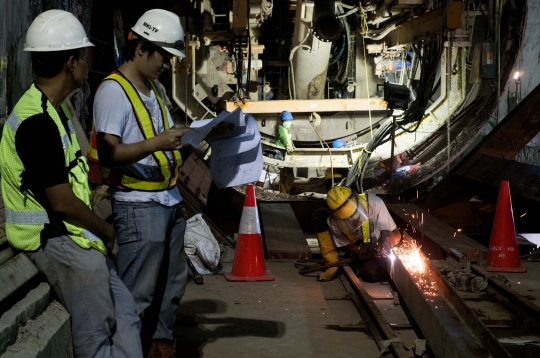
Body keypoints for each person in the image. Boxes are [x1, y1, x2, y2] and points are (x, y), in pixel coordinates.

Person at [0, 10, 142, 358]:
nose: (85, 61)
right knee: (97, 340)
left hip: (74, 234)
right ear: (70, 62)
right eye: (82, 55)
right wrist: (106, 232)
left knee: (127, 315)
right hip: (53, 239)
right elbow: (62, 202)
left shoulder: (55, 110)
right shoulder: (37, 124)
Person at [88, 9, 192, 358]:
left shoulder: (156, 90)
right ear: (141, 47)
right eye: (163, 55)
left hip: (168, 200)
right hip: (138, 206)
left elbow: (162, 142)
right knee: (137, 291)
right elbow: (109, 153)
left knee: (170, 282)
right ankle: (124, 351)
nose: (167, 64)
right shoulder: (113, 92)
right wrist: (157, 144)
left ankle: (158, 344)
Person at [312, 186, 401, 282]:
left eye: (354, 212)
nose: (353, 218)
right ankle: (334, 266)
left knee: (372, 274)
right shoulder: (333, 222)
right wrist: (363, 250)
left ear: (355, 198)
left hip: (379, 248)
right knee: (370, 274)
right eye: (348, 217)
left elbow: (396, 235)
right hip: (363, 250)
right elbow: (349, 246)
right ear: (337, 214)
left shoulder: (375, 203)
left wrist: (386, 243)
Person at [275, 110, 295, 194]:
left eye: (290, 121)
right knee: (289, 176)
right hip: (283, 155)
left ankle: (282, 193)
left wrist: (294, 147)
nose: (289, 122)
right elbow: (285, 140)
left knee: (283, 176)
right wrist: (288, 145)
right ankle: (286, 193)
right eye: (287, 121)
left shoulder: (287, 129)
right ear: (283, 121)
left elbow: (290, 140)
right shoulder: (281, 128)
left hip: (285, 155)